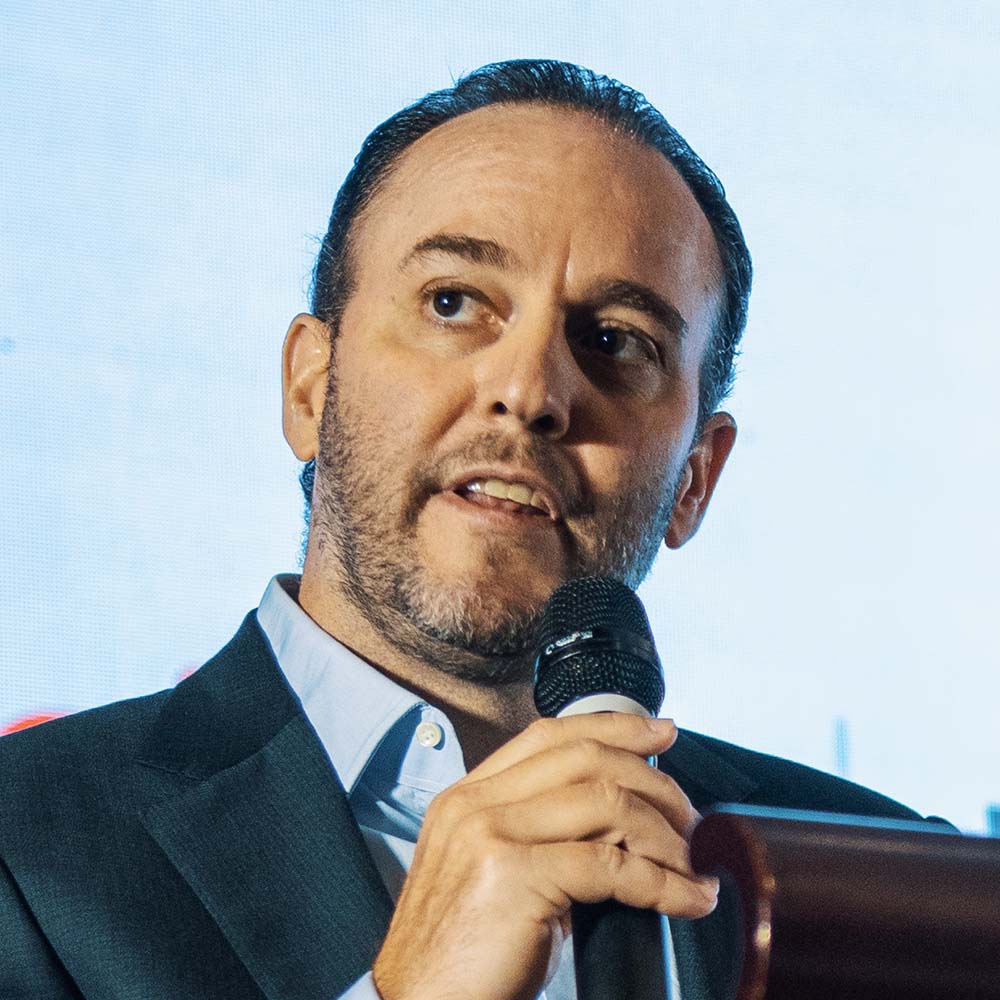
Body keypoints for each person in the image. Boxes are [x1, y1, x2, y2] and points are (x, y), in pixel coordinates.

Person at [0, 60, 922, 1000]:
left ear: (695, 478)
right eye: (453, 303)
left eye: (616, 341)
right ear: (311, 387)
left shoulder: (885, 885)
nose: (529, 390)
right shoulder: (20, 844)